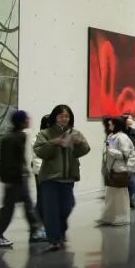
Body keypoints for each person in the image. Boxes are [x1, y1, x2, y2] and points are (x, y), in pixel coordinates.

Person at [33, 105, 91, 251]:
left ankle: (59, 231)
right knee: (51, 210)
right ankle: (54, 240)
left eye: (67, 116)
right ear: (55, 117)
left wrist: (79, 143)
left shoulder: (75, 133)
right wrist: (54, 143)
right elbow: (40, 152)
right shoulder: (45, 133)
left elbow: (84, 150)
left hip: (68, 177)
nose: (64, 119)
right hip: (50, 178)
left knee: (67, 206)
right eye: (61, 116)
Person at [0, 110, 48, 248]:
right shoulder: (12, 138)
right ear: (21, 121)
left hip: (19, 178)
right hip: (14, 180)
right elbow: (8, 161)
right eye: (26, 118)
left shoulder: (19, 136)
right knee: (8, 209)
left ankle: (35, 232)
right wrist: (10, 180)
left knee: (28, 206)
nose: (29, 120)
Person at [100, 117, 135, 226]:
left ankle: (121, 218)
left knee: (120, 197)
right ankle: (109, 216)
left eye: (111, 124)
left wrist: (111, 151)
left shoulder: (122, 137)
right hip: (111, 170)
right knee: (110, 196)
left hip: (120, 170)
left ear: (116, 125)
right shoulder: (111, 136)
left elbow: (125, 155)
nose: (109, 126)